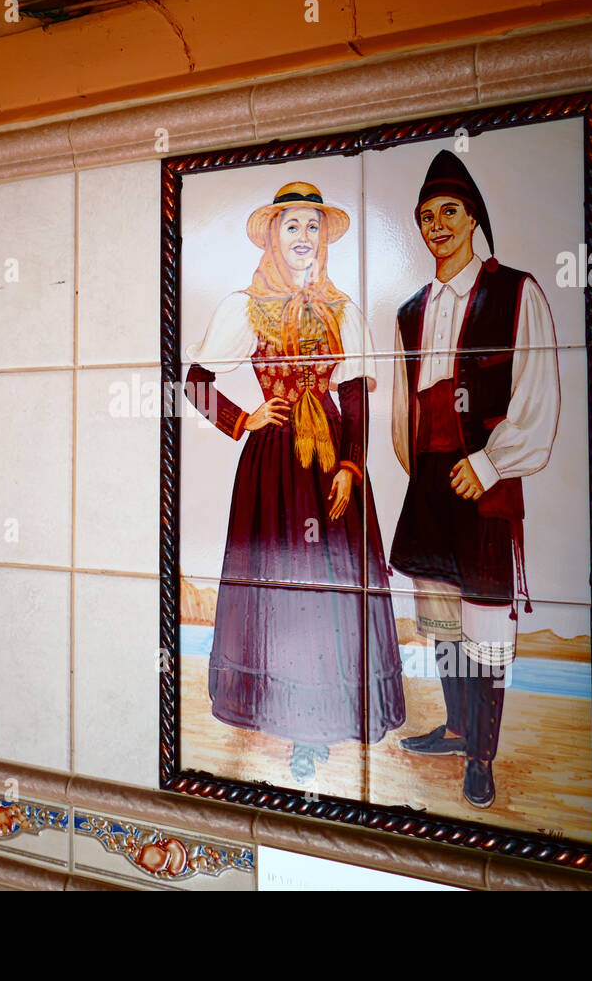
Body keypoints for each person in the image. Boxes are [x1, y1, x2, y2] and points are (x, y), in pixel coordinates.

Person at [184, 182, 406, 785]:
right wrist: (242, 417)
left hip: (330, 455)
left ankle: (323, 722)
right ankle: (282, 714)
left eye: (313, 226)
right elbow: (196, 378)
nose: (303, 237)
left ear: (323, 239)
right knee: (283, 589)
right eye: (292, 226)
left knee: (328, 588)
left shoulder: (343, 311)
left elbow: (356, 394)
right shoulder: (245, 306)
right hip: (273, 461)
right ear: (273, 237)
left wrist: (352, 467)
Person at [390, 150, 561, 809]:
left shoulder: (515, 292)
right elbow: (406, 406)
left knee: (485, 621)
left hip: (485, 482)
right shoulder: (409, 310)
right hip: (431, 480)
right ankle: (457, 727)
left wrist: (488, 462)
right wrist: (423, 469)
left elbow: (538, 398)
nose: (436, 224)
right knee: (441, 615)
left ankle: (482, 759)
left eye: (449, 212)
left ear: (471, 219)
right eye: (426, 215)